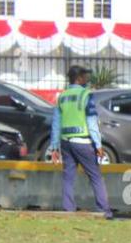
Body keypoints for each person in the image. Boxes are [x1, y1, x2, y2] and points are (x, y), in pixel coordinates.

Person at [47, 65, 112, 219]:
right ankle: (104, 210)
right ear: (79, 78)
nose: (87, 79)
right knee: (95, 176)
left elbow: (56, 124)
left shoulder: (62, 97)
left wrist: (54, 146)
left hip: (66, 142)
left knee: (68, 176)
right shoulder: (85, 95)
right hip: (83, 141)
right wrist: (98, 144)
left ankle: (68, 209)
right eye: (85, 77)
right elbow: (91, 121)